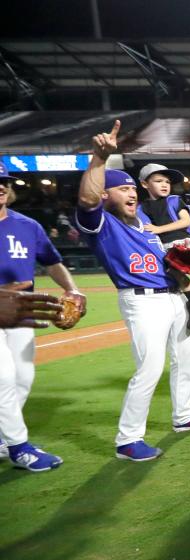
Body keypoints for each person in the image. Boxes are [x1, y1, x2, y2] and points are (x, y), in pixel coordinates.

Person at [74, 120, 190, 462]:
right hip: (141, 301)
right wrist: (98, 160)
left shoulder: (143, 226)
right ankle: (128, 439)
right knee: (150, 367)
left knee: (187, 359)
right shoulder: (100, 224)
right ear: (105, 196)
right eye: (122, 190)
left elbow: (170, 266)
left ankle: (184, 416)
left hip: (172, 299)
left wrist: (189, 287)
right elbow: (86, 198)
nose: (131, 194)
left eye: (131, 190)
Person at [0, 163, 86, 471]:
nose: (1, 186)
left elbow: (52, 262)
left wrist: (73, 289)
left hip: (22, 308)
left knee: (23, 378)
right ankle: (19, 448)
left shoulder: (27, 225)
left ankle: (3, 436)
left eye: (4, 181)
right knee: (4, 378)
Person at [137, 163, 190, 330]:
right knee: (170, 281)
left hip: (181, 242)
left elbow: (186, 221)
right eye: (158, 181)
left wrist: (158, 229)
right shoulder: (142, 207)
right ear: (144, 184)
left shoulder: (174, 200)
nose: (164, 185)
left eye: (167, 182)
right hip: (161, 245)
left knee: (173, 270)